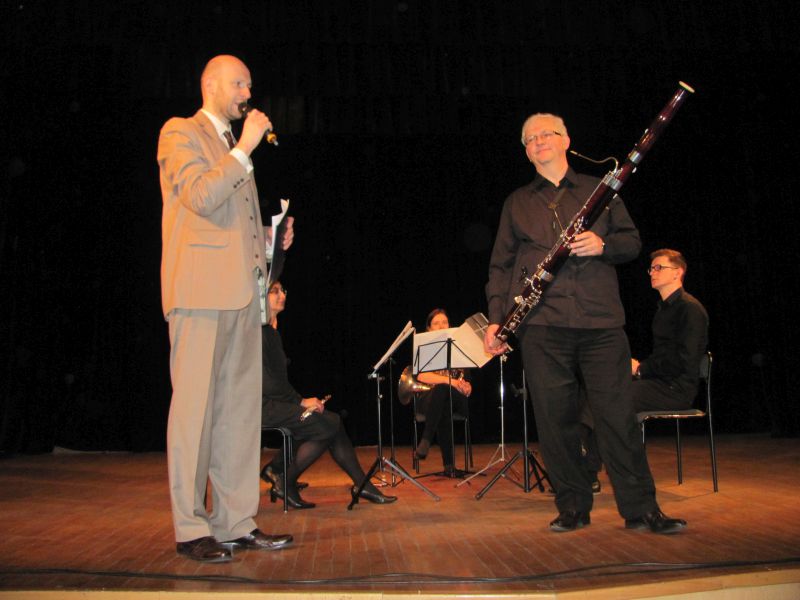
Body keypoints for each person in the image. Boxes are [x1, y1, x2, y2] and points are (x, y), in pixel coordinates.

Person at [483, 113, 686, 534]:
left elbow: (632, 242)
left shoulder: (601, 191)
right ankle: (573, 506)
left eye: (547, 134)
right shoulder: (517, 202)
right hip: (542, 325)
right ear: (526, 152)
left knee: (618, 418)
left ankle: (641, 509)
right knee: (555, 422)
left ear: (566, 140)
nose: (539, 141)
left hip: (600, 323)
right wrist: (497, 320)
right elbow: (500, 266)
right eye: (530, 138)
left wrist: (602, 244)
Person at [158, 55, 295, 562]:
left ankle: (235, 521)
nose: (247, 93)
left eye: (249, 85)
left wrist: (272, 243)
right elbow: (199, 196)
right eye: (239, 84)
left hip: (243, 296)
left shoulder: (237, 149)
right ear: (210, 85)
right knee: (194, 414)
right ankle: (191, 526)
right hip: (199, 294)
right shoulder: (180, 132)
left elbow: (231, 225)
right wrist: (244, 148)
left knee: (239, 415)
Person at [259, 280, 397, 508]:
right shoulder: (261, 332)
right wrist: (300, 401)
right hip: (263, 406)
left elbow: (278, 383)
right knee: (326, 426)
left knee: (332, 421)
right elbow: (268, 383)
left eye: (283, 290)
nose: (282, 295)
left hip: (276, 402)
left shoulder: (272, 332)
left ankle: (360, 484)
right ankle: (285, 480)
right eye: (274, 291)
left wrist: (300, 402)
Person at [631, 249, 709, 411]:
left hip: (676, 389)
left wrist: (641, 369)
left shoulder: (690, 308)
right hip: (660, 382)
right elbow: (662, 354)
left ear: (677, 273)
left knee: (616, 396)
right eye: (651, 269)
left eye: (659, 268)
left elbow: (683, 360)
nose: (653, 273)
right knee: (605, 389)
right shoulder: (663, 310)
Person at [413, 308, 472, 475]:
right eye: (436, 323)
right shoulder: (425, 349)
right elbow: (421, 375)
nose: (441, 326)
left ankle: (426, 439)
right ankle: (449, 466)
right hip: (430, 399)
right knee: (442, 397)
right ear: (429, 329)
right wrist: (450, 381)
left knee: (443, 394)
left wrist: (467, 387)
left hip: (456, 399)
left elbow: (467, 380)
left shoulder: (458, 348)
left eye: (444, 322)